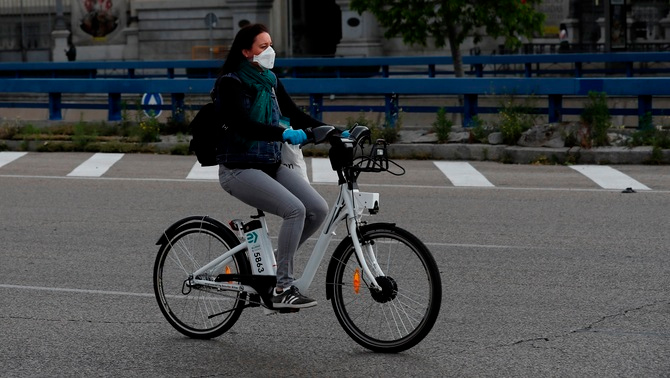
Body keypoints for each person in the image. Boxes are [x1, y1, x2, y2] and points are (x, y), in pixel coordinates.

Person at [212, 23, 329, 309]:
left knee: (317, 209)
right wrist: (282, 133)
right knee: (295, 210)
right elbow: (244, 125)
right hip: (238, 168)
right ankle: (281, 286)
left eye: (270, 45)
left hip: (269, 163)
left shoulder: (270, 80)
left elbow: (293, 114)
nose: (270, 51)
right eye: (263, 47)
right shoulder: (231, 82)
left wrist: (334, 131)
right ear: (246, 51)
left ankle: (273, 265)